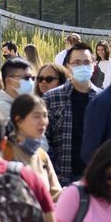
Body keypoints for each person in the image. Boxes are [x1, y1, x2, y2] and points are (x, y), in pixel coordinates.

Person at [44, 43, 99, 185]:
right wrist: (54, 171)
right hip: (62, 176)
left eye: (86, 62)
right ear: (68, 66)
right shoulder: (52, 98)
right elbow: (44, 137)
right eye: (77, 63)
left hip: (95, 177)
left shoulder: (102, 99)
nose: (82, 66)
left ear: (94, 64)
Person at [2, 94, 62, 199]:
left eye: (45, 115)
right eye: (36, 116)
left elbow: (55, 193)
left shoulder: (42, 155)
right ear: (19, 121)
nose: (43, 122)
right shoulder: (6, 152)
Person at [0, 57, 35, 123]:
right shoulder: (2, 107)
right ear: (9, 81)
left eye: (32, 78)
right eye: (27, 78)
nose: (30, 82)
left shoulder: (21, 104)